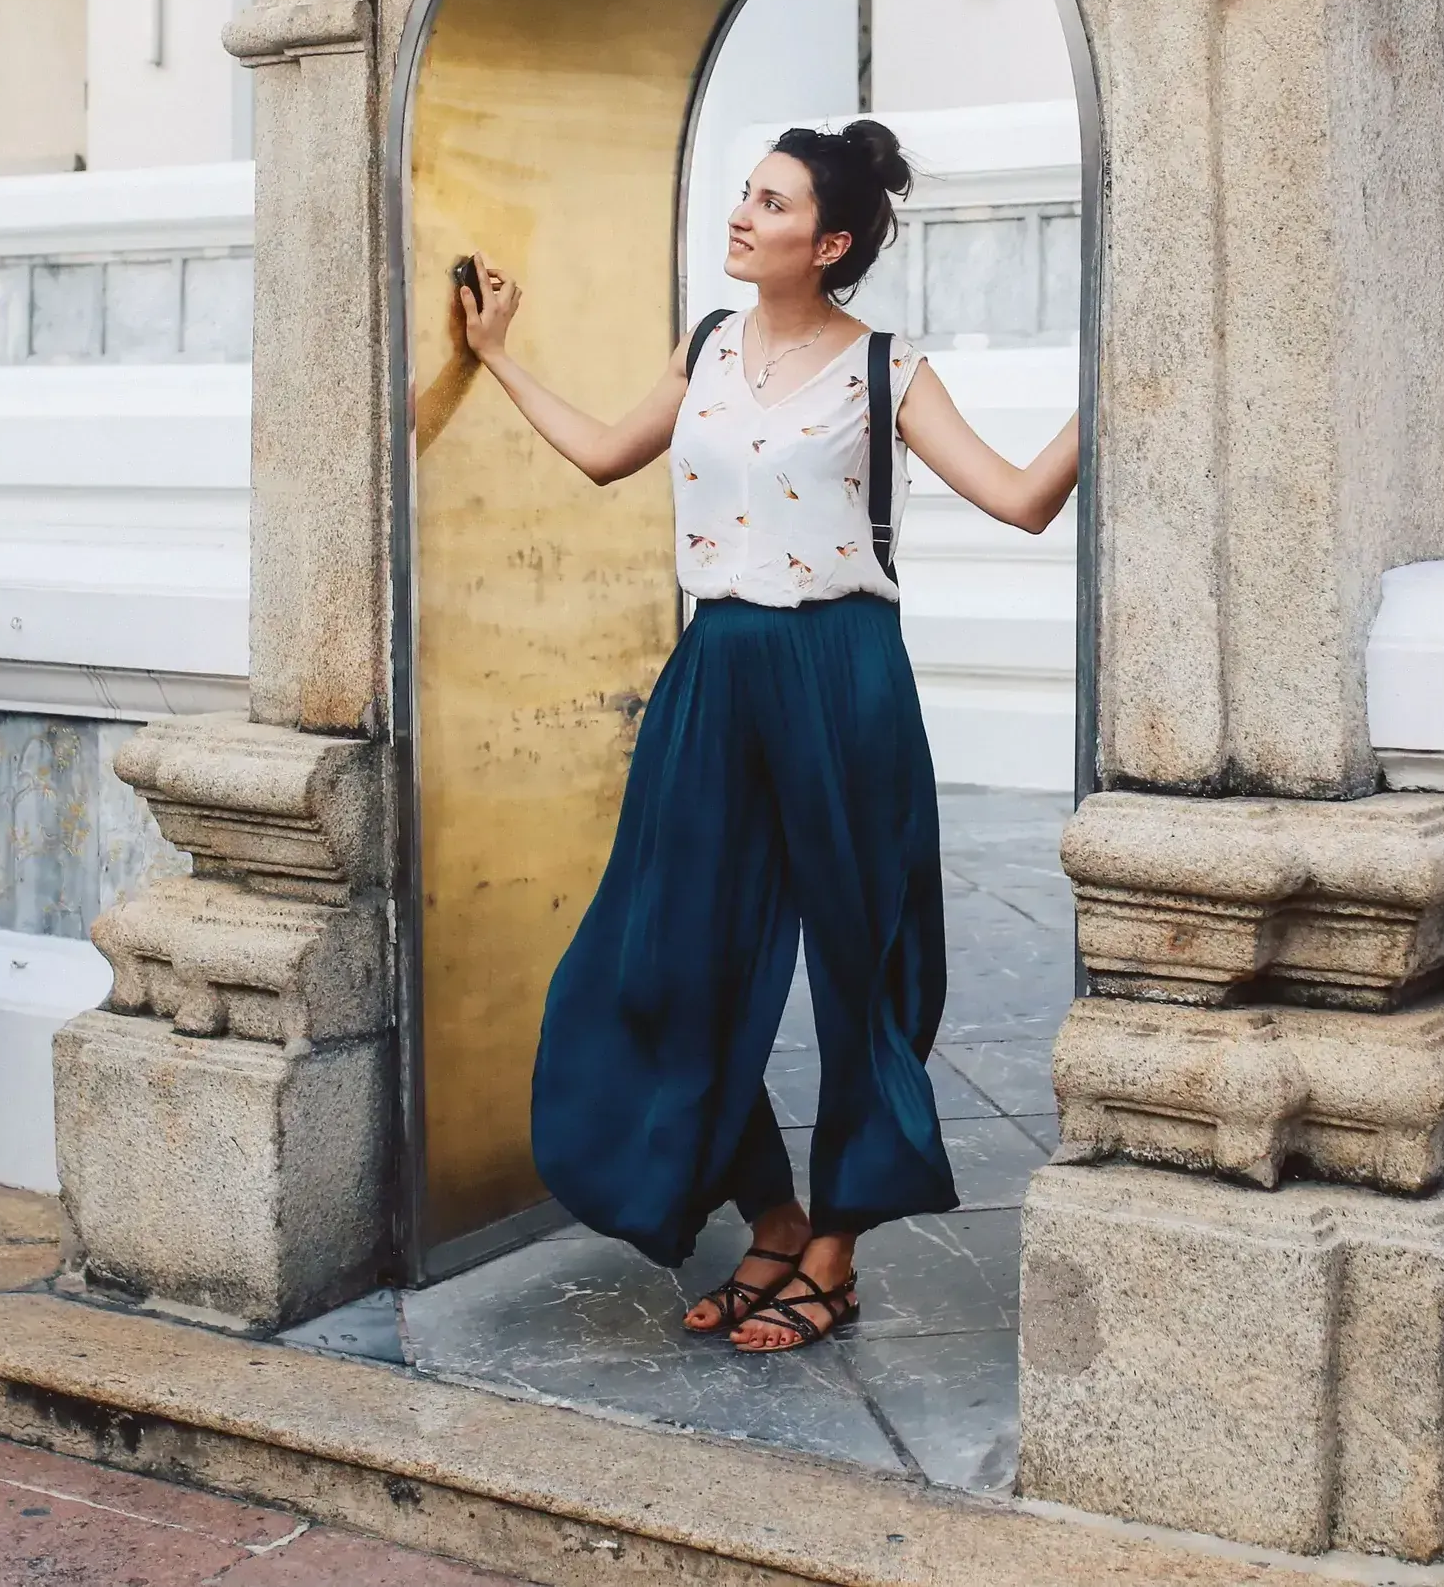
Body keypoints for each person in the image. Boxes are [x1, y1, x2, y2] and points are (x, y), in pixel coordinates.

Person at [455, 119, 1079, 1353]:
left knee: (866, 964)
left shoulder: (887, 371)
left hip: (840, 669)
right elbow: (598, 458)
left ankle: (836, 1252)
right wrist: (495, 357)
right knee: (668, 955)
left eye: (773, 204)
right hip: (714, 670)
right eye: (746, 195)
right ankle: (774, 1216)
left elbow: (1021, 501)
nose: (742, 216)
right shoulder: (710, 347)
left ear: (830, 242)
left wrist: (1112, 386)